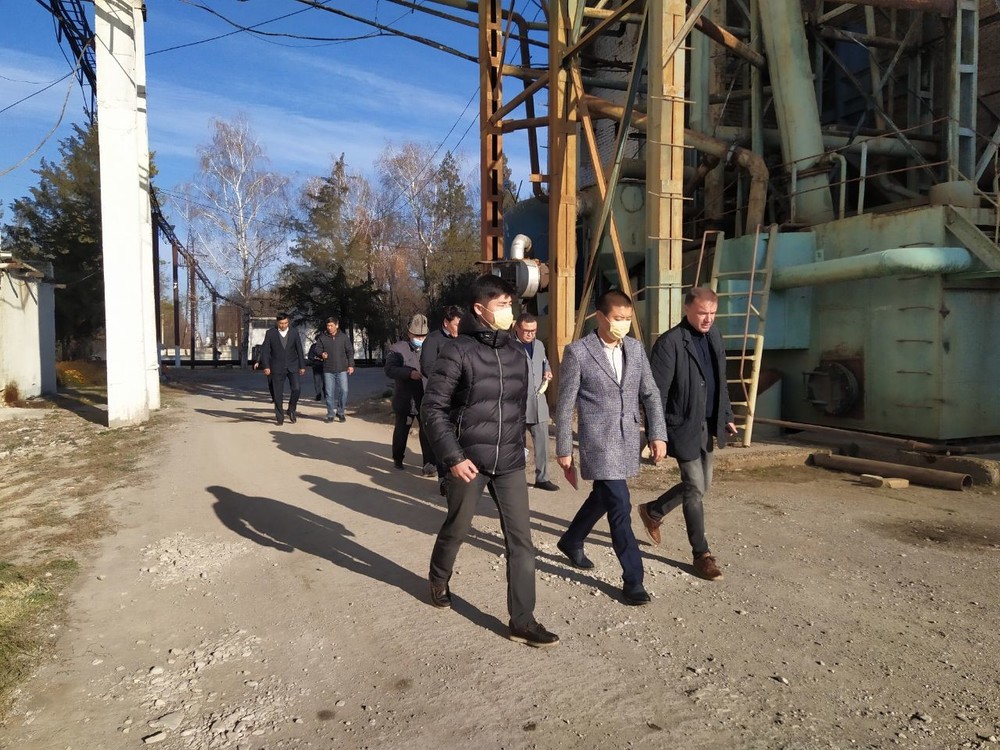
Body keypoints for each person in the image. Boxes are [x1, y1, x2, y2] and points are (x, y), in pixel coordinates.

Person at [422, 274, 559, 648]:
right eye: (501, 305)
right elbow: (432, 409)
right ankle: (438, 577)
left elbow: (517, 406)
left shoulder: (516, 353)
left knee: (521, 541)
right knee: (458, 526)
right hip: (469, 461)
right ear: (479, 309)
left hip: (510, 461)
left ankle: (523, 621)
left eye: (510, 304)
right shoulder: (458, 351)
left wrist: (523, 445)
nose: (508, 311)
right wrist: (452, 457)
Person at [554, 289, 667, 606]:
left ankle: (572, 539)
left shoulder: (636, 349)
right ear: (601, 317)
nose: (624, 324)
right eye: (618, 318)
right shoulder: (578, 352)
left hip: (628, 439)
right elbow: (565, 404)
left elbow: (650, 394)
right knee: (620, 504)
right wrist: (564, 448)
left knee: (604, 496)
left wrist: (658, 434)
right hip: (599, 443)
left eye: (628, 318)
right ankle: (634, 580)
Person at [638, 286, 737, 582]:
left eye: (713, 313)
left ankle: (654, 511)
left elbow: (720, 380)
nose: (708, 319)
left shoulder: (714, 336)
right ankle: (701, 555)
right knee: (694, 487)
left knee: (703, 485)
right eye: (703, 313)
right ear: (687, 309)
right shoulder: (670, 343)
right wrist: (657, 434)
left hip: (707, 424)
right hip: (681, 425)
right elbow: (654, 393)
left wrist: (726, 415)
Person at [513, 313, 558, 492]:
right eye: (527, 331)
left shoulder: (539, 345)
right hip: (516, 404)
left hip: (538, 402)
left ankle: (542, 478)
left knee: (542, 444)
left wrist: (548, 370)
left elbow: (544, 362)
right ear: (517, 328)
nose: (531, 334)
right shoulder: (508, 346)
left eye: (534, 331)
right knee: (516, 445)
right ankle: (515, 480)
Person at [420, 305, 464, 490]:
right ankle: (444, 477)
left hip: (461, 397)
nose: (459, 328)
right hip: (442, 396)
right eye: (456, 324)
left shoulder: (464, 339)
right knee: (444, 436)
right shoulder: (433, 340)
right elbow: (427, 367)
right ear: (446, 322)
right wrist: (447, 381)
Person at [385, 314, 434, 471]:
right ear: (409, 334)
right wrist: (408, 373)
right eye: (417, 336)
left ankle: (429, 464)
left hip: (425, 398)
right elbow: (390, 369)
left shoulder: (432, 348)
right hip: (405, 398)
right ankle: (398, 458)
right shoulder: (397, 349)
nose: (420, 339)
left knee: (427, 432)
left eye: (423, 336)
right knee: (402, 430)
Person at [259, 313, 306, 426]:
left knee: (297, 389)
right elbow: (265, 351)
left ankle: (291, 409)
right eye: (281, 323)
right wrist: (266, 366)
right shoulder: (270, 333)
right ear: (277, 323)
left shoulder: (294, 332)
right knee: (278, 393)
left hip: (292, 365)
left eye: (285, 323)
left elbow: (299, 349)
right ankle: (279, 417)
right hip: (276, 367)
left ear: (288, 322)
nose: (283, 325)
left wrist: (302, 366)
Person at [316, 316, 355, 423]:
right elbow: (317, 349)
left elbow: (350, 351)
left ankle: (340, 412)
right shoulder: (322, 337)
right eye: (328, 325)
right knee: (329, 393)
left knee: (344, 390)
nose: (329, 327)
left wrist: (351, 365)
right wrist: (321, 354)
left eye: (331, 325)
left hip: (342, 369)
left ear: (336, 326)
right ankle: (330, 414)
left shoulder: (343, 337)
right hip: (328, 369)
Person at [306, 335, 326, 402]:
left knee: (325, 381)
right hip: (316, 366)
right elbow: (310, 356)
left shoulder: (325, 346)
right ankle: (318, 394)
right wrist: (315, 359)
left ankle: (325, 392)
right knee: (317, 382)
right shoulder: (313, 346)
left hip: (324, 366)